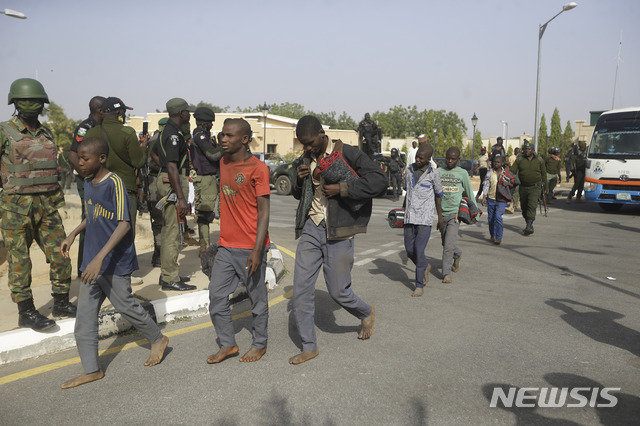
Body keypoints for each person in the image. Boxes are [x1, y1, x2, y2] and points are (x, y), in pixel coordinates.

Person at [60, 136, 168, 389]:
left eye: (85, 159)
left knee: (127, 307)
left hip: (114, 261)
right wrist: (74, 233)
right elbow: (93, 214)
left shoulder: (115, 183)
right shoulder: (88, 182)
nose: (80, 164)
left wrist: (100, 258)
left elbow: (124, 224)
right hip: (92, 262)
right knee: (84, 318)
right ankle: (91, 370)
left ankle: (158, 338)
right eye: (79, 159)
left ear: (101, 159)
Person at [288, 115, 386, 365]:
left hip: (339, 231)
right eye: (302, 144)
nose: (306, 148)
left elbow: (379, 181)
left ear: (322, 133)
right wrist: (299, 181)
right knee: (300, 290)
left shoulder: (349, 153)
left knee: (338, 291)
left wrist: (342, 189)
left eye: (309, 143)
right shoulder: (305, 158)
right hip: (312, 227)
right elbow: (299, 194)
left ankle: (365, 311)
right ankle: (309, 346)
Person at [0, 78, 75, 331]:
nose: (30, 105)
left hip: (46, 206)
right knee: (20, 261)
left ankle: (62, 302)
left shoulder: (47, 133)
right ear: (15, 104)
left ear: (43, 105)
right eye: (25, 101)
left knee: (61, 253)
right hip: (15, 208)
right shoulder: (4, 131)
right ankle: (26, 311)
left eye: (35, 101)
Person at [206, 118, 271, 364]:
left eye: (229, 136)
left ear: (244, 139)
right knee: (216, 296)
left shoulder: (258, 169)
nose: (223, 139)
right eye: (222, 135)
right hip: (226, 246)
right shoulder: (222, 162)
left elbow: (264, 212)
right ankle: (228, 344)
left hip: (250, 249)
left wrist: (257, 250)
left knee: (257, 300)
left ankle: (260, 344)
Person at [84, 97, 149, 234]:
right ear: (119, 113)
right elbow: (138, 162)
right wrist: (143, 148)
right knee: (124, 234)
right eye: (124, 112)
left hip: (98, 190)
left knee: (102, 233)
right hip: (125, 190)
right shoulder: (128, 133)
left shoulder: (91, 133)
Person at [155, 98, 196, 291]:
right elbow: (171, 165)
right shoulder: (172, 134)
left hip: (169, 180)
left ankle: (169, 272)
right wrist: (180, 197)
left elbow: (154, 152)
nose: (190, 114)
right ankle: (170, 277)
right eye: (187, 111)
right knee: (171, 232)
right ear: (181, 113)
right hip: (172, 182)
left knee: (172, 230)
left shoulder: (169, 131)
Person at [69, 95, 105, 274]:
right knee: (89, 221)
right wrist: (87, 177)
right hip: (87, 181)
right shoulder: (85, 127)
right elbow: (73, 155)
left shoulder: (101, 127)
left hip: (98, 180)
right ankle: (83, 268)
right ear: (99, 110)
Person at [403, 143, 443, 297]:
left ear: (428, 159)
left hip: (425, 219)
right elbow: (408, 192)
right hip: (409, 216)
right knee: (409, 250)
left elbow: (438, 196)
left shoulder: (434, 173)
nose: (418, 159)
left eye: (421, 158)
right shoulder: (408, 170)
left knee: (419, 250)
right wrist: (402, 210)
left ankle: (419, 285)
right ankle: (425, 266)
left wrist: (440, 218)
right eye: (417, 156)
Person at [438, 147, 477, 284]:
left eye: (453, 159)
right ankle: (458, 254)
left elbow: (469, 193)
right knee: (445, 243)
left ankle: (446, 273)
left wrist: (475, 213)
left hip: (455, 214)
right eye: (447, 158)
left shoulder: (462, 173)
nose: (449, 161)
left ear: (458, 160)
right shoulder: (439, 172)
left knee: (448, 245)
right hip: (441, 214)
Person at [190, 107, 224, 255]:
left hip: (210, 177)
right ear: (204, 123)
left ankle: (206, 247)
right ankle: (204, 249)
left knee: (210, 213)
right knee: (205, 214)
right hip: (205, 178)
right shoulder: (200, 136)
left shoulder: (204, 135)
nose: (211, 125)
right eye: (210, 122)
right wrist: (224, 147)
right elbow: (212, 155)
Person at [510, 141, 547, 235]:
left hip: (535, 187)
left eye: (529, 149)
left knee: (532, 205)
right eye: (525, 149)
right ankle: (528, 224)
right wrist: (506, 177)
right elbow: (512, 171)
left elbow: (544, 174)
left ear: (533, 150)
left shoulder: (539, 160)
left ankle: (529, 225)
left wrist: (546, 187)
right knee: (524, 207)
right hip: (523, 187)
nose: (526, 151)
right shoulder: (520, 159)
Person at [482, 155, 519, 245]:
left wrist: (508, 184)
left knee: (498, 217)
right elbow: (486, 184)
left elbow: (516, 182)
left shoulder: (506, 173)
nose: (496, 163)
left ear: (502, 163)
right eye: (494, 162)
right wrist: (484, 196)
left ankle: (499, 237)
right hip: (491, 199)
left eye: (498, 162)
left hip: (501, 200)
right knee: (491, 219)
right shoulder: (490, 173)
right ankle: (493, 235)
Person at [146, 117, 168, 267]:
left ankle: (159, 254)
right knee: (160, 220)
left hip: (155, 182)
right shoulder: (158, 140)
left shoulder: (154, 139)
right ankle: (159, 254)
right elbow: (150, 163)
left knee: (161, 220)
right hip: (156, 182)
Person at [505, 147, 521, 214]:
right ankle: (512, 205)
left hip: (519, 175)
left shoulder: (520, 158)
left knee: (518, 190)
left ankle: (516, 204)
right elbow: (511, 167)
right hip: (514, 175)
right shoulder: (512, 157)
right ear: (515, 151)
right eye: (517, 151)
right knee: (515, 190)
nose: (518, 152)